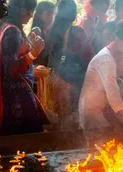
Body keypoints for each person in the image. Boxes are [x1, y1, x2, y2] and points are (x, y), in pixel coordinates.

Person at [79, 20, 123, 139]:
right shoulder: (106, 59)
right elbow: (113, 96)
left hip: (104, 109)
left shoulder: (117, 55)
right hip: (92, 112)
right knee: (104, 148)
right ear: (118, 40)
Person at [0, 0, 45, 137]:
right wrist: (33, 53)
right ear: (22, 10)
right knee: (26, 143)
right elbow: (10, 69)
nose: (31, 15)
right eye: (31, 11)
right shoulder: (12, 31)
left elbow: (15, 52)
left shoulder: (6, 26)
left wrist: (29, 40)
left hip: (14, 96)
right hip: (18, 98)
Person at [46, 0, 93, 130]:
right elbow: (88, 57)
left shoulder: (50, 32)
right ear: (74, 15)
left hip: (53, 81)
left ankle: (56, 145)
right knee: (72, 121)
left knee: (57, 120)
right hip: (73, 83)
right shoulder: (78, 32)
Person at [31, 1, 55, 66]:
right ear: (39, 15)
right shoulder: (35, 33)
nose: (52, 17)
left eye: (53, 14)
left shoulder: (52, 33)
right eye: (49, 13)